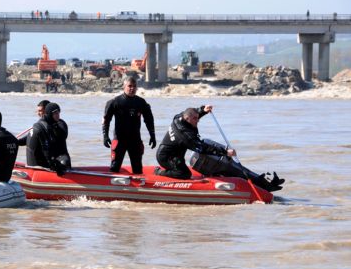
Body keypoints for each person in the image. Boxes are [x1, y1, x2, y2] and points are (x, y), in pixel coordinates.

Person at [156, 105, 284, 191]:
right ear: (187, 118)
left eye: (197, 118)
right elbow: (202, 148)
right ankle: (160, 172)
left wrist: (202, 110)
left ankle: (260, 181)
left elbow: (193, 113)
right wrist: (224, 152)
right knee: (184, 174)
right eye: (195, 119)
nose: (197, 121)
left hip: (175, 154)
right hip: (166, 158)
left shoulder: (179, 117)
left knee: (229, 165)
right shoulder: (185, 136)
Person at [102, 76, 156, 174]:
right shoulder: (115, 102)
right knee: (114, 167)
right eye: (129, 86)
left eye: (134, 86)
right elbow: (106, 120)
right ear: (124, 86)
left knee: (138, 169)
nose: (132, 88)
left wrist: (152, 135)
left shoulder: (141, 102)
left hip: (135, 140)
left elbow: (149, 120)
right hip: (119, 140)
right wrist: (105, 136)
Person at [26, 102, 71, 176]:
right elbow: (29, 138)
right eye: (55, 113)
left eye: (58, 112)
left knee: (64, 161)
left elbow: (63, 135)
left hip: (61, 157)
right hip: (50, 159)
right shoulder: (42, 126)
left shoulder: (60, 124)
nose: (58, 115)